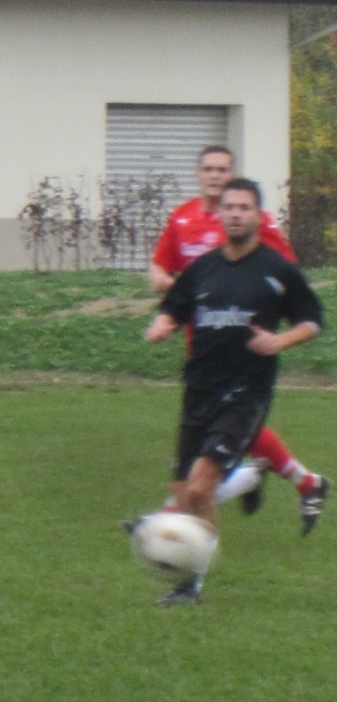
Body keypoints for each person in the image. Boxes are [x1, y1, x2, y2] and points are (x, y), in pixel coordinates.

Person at [143, 177, 323, 606]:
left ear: (258, 216)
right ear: (220, 214)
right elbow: (174, 308)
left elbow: (313, 319)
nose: (236, 214)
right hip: (199, 391)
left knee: (200, 487)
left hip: (246, 392)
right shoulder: (202, 268)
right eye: (230, 207)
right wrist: (163, 325)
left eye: (245, 207)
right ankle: (250, 477)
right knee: (185, 494)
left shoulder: (277, 270)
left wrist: (279, 341)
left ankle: (191, 585)